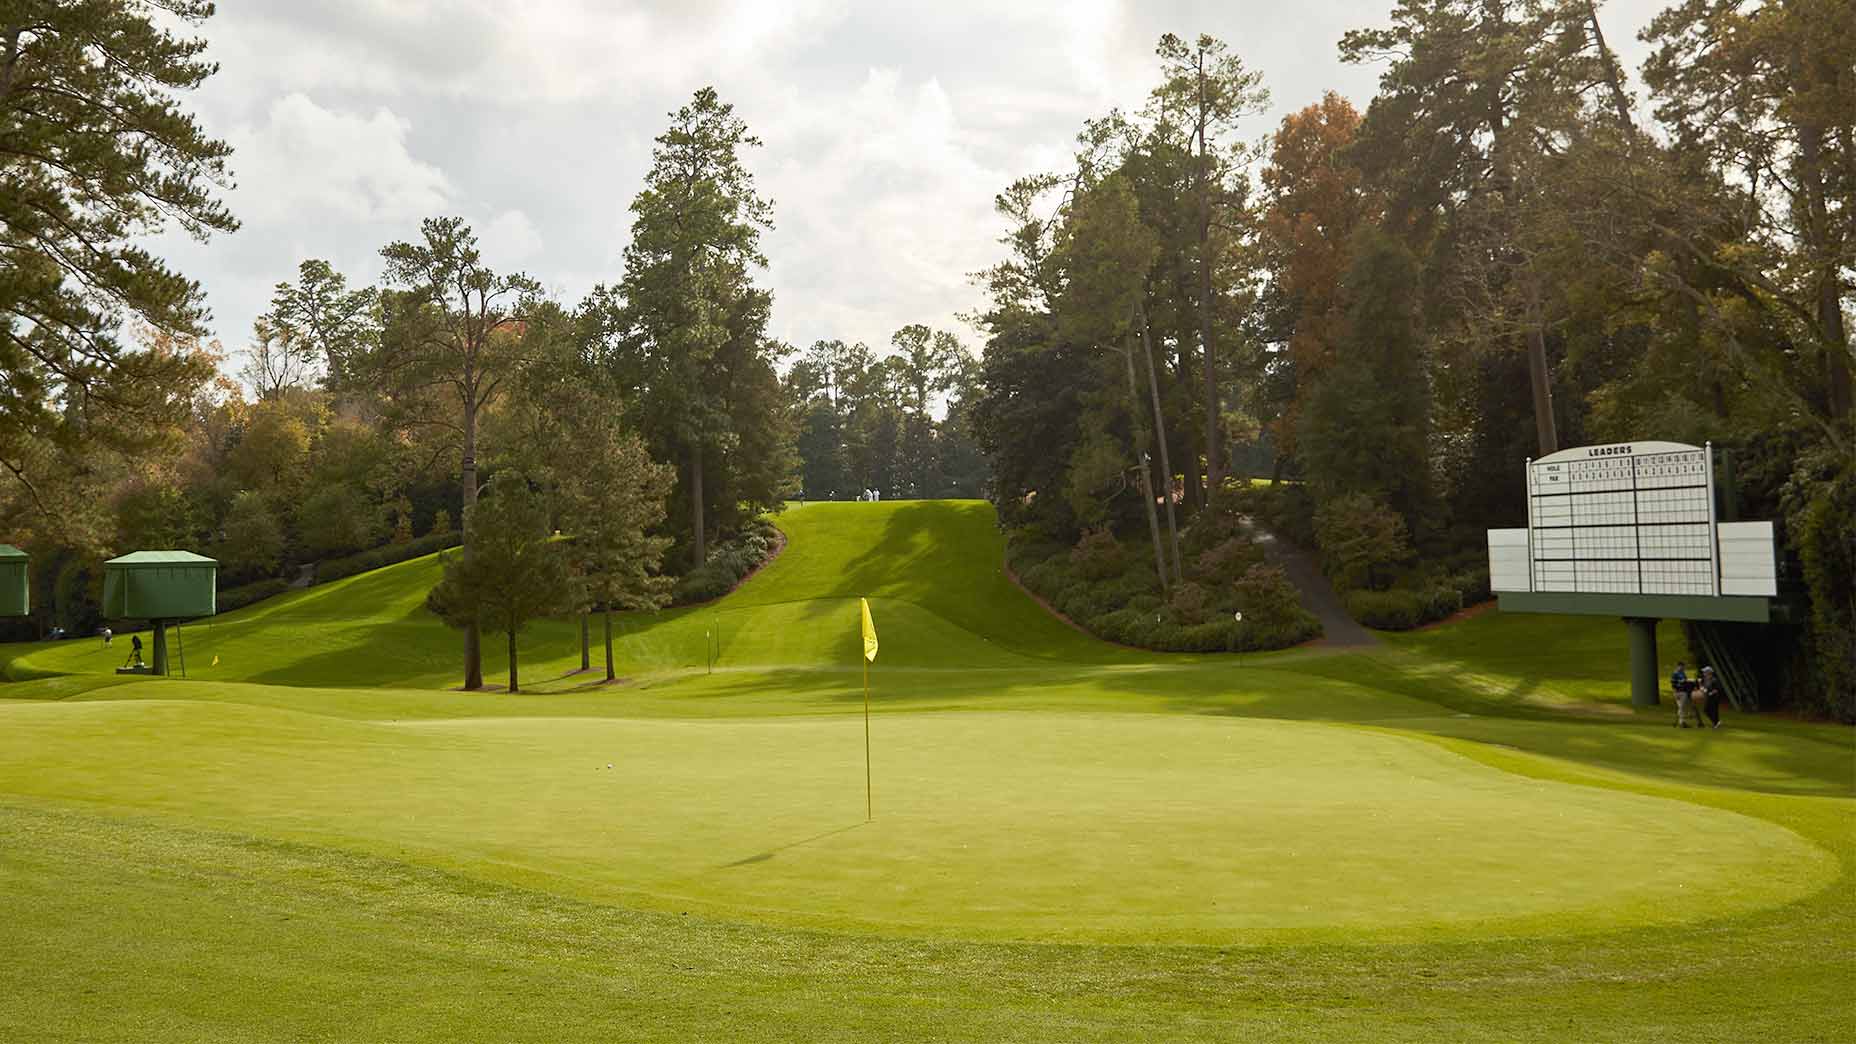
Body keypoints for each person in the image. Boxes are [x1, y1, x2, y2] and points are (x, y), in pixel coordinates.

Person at [1671, 661, 1700, 728]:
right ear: (1679, 666)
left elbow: (1685, 682)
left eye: (1683, 666)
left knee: (1681, 707)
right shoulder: (1675, 674)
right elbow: (1673, 684)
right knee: (1681, 707)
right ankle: (1681, 722)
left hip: (1684, 692)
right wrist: (1675, 692)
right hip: (1679, 692)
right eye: (1682, 666)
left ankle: (1681, 722)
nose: (1683, 667)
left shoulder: (1683, 673)